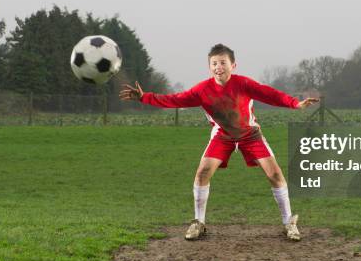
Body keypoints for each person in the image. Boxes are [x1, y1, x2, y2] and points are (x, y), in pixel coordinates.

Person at [119, 44, 319, 241]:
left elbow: (269, 94)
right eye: (214, 63)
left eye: (223, 62)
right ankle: (198, 222)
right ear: (209, 67)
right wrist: (145, 97)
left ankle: (288, 223)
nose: (218, 67)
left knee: (275, 174)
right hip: (222, 135)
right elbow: (175, 99)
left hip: (250, 134)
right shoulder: (202, 90)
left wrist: (294, 103)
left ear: (233, 65)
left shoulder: (244, 84)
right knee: (203, 172)